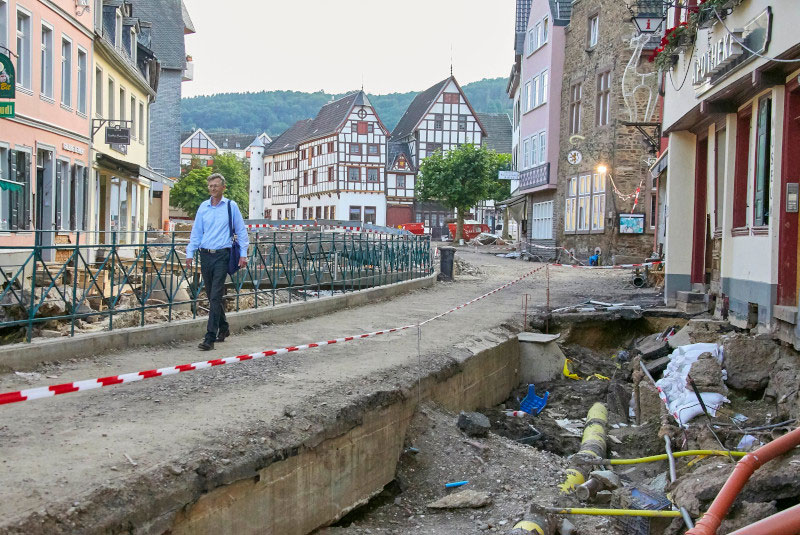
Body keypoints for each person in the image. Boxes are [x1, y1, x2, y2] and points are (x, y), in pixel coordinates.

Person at [186, 173, 249, 351]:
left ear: (223, 187)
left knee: (214, 296)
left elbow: (241, 230)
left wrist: (243, 254)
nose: (213, 188)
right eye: (210, 186)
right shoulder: (203, 207)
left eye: (216, 185)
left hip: (223, 255)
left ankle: (209, 338)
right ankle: (224, 327)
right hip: (205, 255)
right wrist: (190, 252)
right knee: (212, 295)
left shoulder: (231, 206)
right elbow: (196, 232)